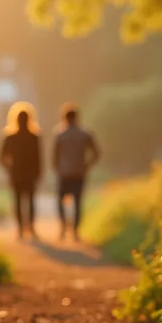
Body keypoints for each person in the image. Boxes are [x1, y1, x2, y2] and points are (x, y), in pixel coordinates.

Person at [53, 103, 99, 241]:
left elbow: (55, 155)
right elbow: (96, 153)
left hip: (64, 173)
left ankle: (63, 227)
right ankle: (75, 230)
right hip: (79, 172)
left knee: (61, 201)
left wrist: (58, 168)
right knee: (77, 202)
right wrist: (87, 166)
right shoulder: (85, 134)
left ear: (64, 118)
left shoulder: (60, 134)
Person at [0, 101, 42, 240]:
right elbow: (38, 157)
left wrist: (9, 168)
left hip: (16, 173)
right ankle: (31, 227)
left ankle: (20, 228)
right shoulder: (34, 137)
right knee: (30, 201)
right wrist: (38, 172)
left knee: (18, 201)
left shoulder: (10, 137)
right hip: (30, 174)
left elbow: (2, 156)